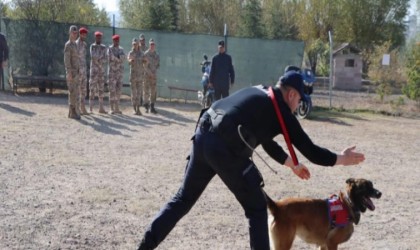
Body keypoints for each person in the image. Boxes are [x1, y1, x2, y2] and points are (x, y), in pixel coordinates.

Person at [136, 71, 366, 250]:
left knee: (182, 200)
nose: (298, 107)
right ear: (292, 95)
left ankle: (144, 246)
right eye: (299, 100)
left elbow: (266, 141)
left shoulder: (261, 92)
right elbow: (312, 151)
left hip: (204, 133)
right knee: (257, 208)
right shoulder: (282, 112)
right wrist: (342, 159)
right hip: (226, 146)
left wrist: (290, 164)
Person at [63, 25, 80, 120]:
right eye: (73, 33)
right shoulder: (68, 45)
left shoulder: (75, 45)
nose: (75, 34)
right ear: (70, 33)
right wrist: (69, 72)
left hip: (76, 73)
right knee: (72, 92)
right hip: (71, 73)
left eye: (76, 33)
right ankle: (72, 112)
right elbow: (66, 60)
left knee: (75, 93)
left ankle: (72, 112)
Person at [89, 31, 108, 114]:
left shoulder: (104, 47)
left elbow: (106, 58)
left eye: (100, 37)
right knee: (92, 89)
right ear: (95, 38)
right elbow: (93, 56)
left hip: (101, 72)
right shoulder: (92, 46)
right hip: (94, 71)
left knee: (101, 90)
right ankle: (90, 108)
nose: (99, 38)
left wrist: (99, 59)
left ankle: (101, 108)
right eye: (97, 37)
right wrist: (100, 59)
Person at [107, 34, 125, 114]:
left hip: (119, 73)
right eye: (115, 40)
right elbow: (110, 57)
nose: (116, 42)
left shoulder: (121, 49)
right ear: (113, 41)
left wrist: (117, 57)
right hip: (112, 73)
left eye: (117, 40)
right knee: (112, 90)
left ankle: (117, 107)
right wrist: (118, 58)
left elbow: (124, 57)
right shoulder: (110, 49)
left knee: (118, 90)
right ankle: (111, 108)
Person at [128, 38, 146, 115]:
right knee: (133, 93)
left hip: (140, 76)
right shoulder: (131, 53)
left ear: (138, 44)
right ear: (132, 44)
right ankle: (134, 108)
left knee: (139, 93)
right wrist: (130, 61)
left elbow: (145, 61)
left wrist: (145, 61)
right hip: (133, 76)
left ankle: (138, 109)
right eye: (133, 44)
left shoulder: (142, 53)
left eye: (136, 44)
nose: (135, 45)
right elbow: (128, 60)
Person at [143, 38, 160, 114]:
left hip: (154, 76)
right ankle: (146, 106)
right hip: (147, 75)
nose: (152, 46)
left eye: (153, 44)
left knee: (153, 91)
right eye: (151, 44)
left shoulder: (157, 55)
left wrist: (154, 73)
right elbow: (145, 66)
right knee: (146, 91)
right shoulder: (146, 54)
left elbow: (157, 65)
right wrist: (150, 73)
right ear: (149, 45)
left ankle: (152, 106)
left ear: (154, 45)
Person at [76, 27, 89, 115]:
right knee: (77, 90)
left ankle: (83, 107)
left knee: (83, 90)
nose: (84, 35)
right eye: (83, 34)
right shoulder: (76, 44)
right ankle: (77, 108)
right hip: (78, 71)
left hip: (83, 70)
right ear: (80, 34)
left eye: (85, 34)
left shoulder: (84, 44)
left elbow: (84, 58)